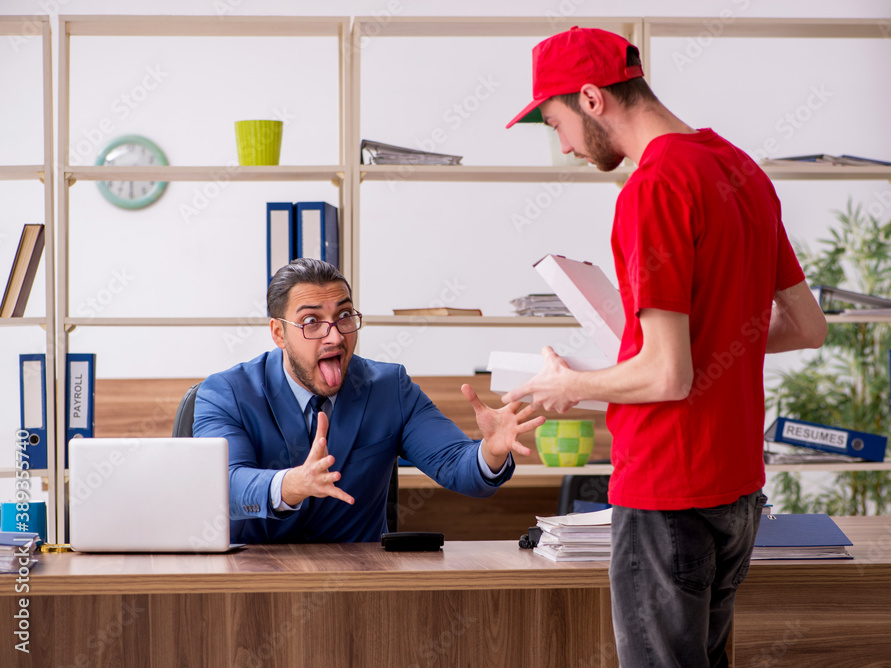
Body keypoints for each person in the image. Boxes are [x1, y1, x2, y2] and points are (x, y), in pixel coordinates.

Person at [504, 27, 828, 668]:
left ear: (591, 98)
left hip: (667, 490)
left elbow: (666, 375)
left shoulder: (652, 188)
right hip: (736, 491)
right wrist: (705, 345)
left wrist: (570, 385)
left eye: (556, 123)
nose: (564, 146)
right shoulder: (741, 170)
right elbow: (807, 326)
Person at [193, 258, 542, 544]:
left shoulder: (390, 388)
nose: (334, 336)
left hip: (361, 583)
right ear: (278, 333)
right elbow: (224, 486)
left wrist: (490, 452)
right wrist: (293, 484)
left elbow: (457, 466)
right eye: (311, 321)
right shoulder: (226, 393)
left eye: (344, 315)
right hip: (255, 581)